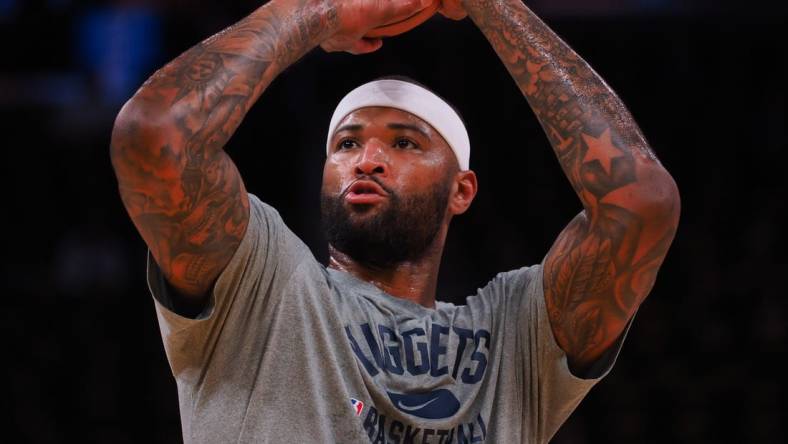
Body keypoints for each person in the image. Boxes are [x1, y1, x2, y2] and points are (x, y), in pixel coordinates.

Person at [110, 0, 680, 442]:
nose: (367, 159)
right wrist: (321, 11)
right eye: (347, 144)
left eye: (404, 143)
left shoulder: (516, 336)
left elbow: (642, 204)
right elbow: (154, 135)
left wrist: (496, 8)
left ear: (462, 190)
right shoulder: (264, 284)